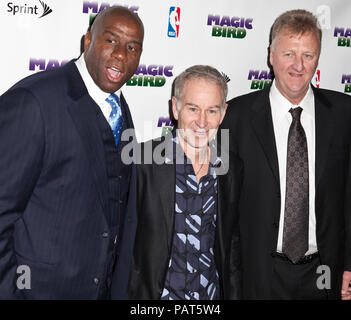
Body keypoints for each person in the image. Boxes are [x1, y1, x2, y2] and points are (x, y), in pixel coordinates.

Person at [0, 6, 144, 299]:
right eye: (111, 40)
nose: (121, 54)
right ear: (87, 41)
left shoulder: (120, 107)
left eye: (132, 47)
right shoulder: (34, 102)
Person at [221, 9, 351, 300]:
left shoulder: (344, 114)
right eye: (288, 53)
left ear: (318, 58)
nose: (298, 65)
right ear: (270, 55)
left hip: (323, 269)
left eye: (308, 55)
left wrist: (350, 266)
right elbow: (223, 209)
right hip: (259, 273)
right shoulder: (235, 117)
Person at [127, 65, 242, 300]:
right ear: (175, 107)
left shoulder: (231, 168)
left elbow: (231, 247)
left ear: (223, 113)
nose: (202, 121)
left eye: (212, 110)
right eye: (193, 108)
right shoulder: (143, 163)